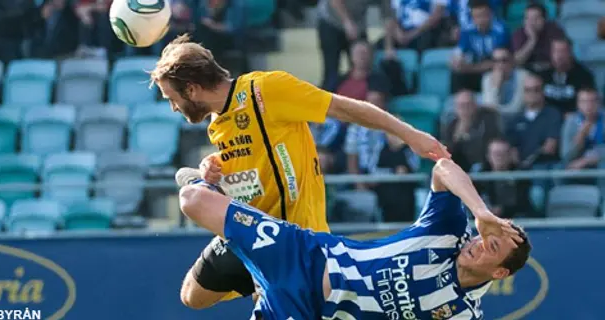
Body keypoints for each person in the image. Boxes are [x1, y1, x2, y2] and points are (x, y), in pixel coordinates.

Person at [150, 34, 451, 309]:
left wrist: (411, 135)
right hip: (250, 230)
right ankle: (205, 193)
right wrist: (215, 166)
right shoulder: (217, 122)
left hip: (297, 240)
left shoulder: (265, 90)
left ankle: (262, 276)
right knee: (192, 296)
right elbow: (254, 163)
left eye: (171, 98)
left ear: (191, 89)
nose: (174, 107)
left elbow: (345, 109)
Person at [175, 157, 529, 320]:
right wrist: (482, 213)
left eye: (492, 246)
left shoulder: (461, 314)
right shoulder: (448, 232)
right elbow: (442, 167)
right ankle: (219, 197)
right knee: (191, 200)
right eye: (486, 235)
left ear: (499, 273)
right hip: (305, 253)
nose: (478, 241)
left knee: (192, 300)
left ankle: (246, 257)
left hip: (305, 311)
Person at [450, 0, 510, 92]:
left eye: (484, 15)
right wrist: (457, 60)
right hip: (475, 66)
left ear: (491, 14)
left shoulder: (500, 30)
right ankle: (459, 100)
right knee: (456, 73)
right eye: (477, 16)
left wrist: (469, 68)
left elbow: (497, 61)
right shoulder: (467, 30)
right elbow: (459, 52)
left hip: (493, 68)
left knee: (497, 70)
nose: (481, 20)